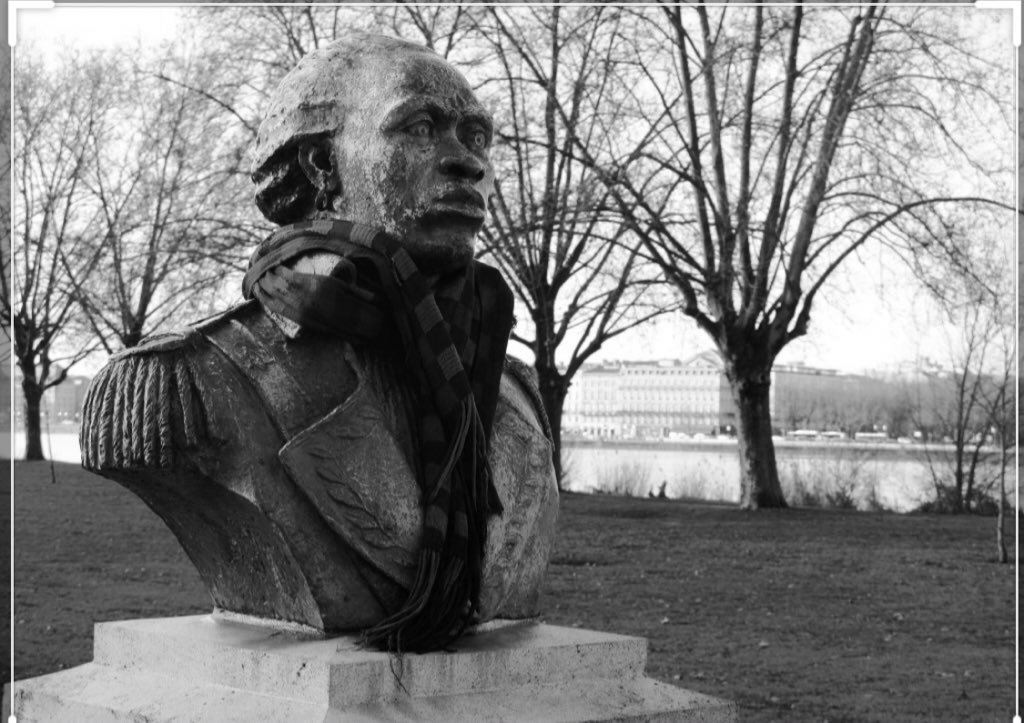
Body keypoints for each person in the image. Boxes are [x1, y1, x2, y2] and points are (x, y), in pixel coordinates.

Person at [80, 33, 558, 653]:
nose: (466, 161)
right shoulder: (185, 382)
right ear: (320, 166)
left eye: (476, 137)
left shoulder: (513, 394)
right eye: (419, 127)